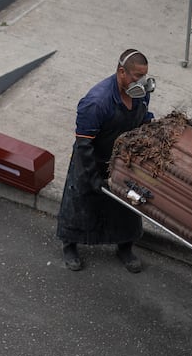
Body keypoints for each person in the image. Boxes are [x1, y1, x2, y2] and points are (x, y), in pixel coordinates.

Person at [56, 49, 155, 273]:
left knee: (125, 206)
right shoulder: (96, 102)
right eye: (137, 76)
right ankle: (70, 245)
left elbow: (144, 116)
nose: (142, 81)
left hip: (122, 159)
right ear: (121, 72)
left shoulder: (140, 93)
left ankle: (125, 247)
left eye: (144, 76)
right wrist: (93, 176)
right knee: (81, 202)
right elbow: (84, 144)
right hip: (91, 157)